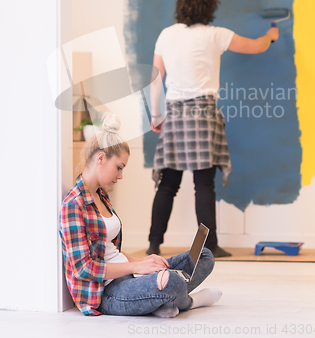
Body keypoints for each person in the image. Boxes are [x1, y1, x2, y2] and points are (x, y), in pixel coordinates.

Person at [147, 0, 279, 258]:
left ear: (182, 7)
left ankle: (153, 245)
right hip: (204, 112)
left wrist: (156, 115)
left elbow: (155, 79)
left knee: (168, 184)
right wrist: (271, 35)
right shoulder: (215, 34)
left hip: (175, 112)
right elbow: (256, 47)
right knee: (203, 183)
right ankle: (210, 246)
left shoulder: (166, 35)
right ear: (209, 8)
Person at [59, 112, 221, 317]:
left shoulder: (101, 195)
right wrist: (137, 266)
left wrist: (144, 262)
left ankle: (160, 302)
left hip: (128, 274)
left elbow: (109, 249)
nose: (120, 176)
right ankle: (189, 301)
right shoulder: (73, 205)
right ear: (100, 158)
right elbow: (85, 269)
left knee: (204, 256)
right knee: (173, 281)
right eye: (119, 168)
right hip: (107, 292)